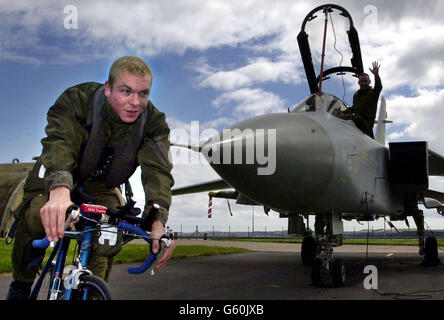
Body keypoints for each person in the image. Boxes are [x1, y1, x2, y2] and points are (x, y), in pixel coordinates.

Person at [7, 56, 176, 300]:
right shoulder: (77, 99)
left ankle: (89, 292)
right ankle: (21, 283)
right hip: (57, 174)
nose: (135, 102)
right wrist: (60, 191)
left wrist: (158, 220)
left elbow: (158, 171)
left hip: (99, 186)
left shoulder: (154, 123)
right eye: (125, 91)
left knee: (108, 233)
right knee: (37, 216)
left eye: (143, 93)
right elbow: (60, 146)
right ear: (108, 89)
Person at [350, 61, 382, 138]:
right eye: (362, 81)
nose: (363, 83)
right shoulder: (356, 95)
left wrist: (376, 75)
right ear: (358, 82)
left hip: (366, 126)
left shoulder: (372, 94)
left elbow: (378, 87)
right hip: (356, 125)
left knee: (354, 117)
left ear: (369, 82)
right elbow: (354, 108)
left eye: (365, 81)